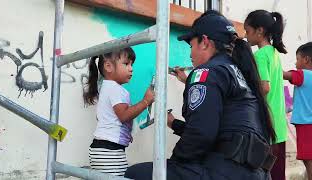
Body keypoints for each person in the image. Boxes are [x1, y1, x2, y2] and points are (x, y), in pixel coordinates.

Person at [125, 10, 276, 180]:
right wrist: (174, 123)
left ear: (204, 42)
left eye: (191, 46)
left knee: (133, 174)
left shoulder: (206, 72)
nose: (190, 54)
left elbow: (201, 134)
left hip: (227, 172)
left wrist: (173, 165)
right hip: (254, 173)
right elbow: (222, 133)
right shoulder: (240, 73)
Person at [83, 47, 154, 176]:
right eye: (126, 64)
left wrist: (125, 132)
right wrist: (145, 101)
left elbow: (110, 117)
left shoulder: (107, 87)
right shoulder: (116, 89)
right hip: (109, 151)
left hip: (102, 148)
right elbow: (123, 115)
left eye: (132, 64)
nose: (131, 68)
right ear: (108, 66)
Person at [244, 10, 288, 180]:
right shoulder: (274, 53)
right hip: (279, 126)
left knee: (265, 174)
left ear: (260, 31)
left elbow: (265, 87)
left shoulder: (260, 55)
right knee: (278, 174)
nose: (246, 35)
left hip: (267, 125)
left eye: (248, 31)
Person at [283, 42, 312, 180]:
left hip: (307, 125)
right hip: (308, 124)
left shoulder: (304, 74)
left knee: (309, 160)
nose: (295, 63)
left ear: (306, 59)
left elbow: (285, 75)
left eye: (297, 59)